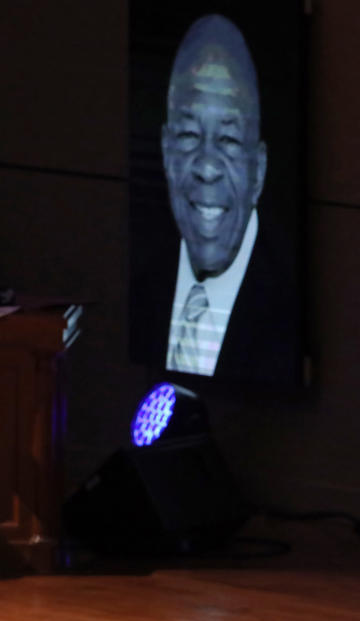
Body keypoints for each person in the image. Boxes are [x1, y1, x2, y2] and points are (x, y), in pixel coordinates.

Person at [135, 14, 295, 381]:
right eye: (189, 134)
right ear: (164, 151)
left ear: (259, 168)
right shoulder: (139, 291)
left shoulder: (292, 311)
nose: (207, 167)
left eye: (229, 139)